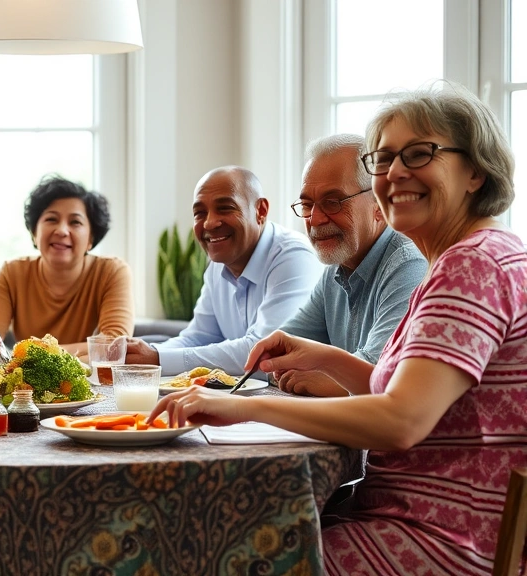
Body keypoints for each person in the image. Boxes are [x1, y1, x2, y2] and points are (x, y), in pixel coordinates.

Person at [152, 84, 525, 576]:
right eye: (384, 159)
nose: (394, 173)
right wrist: (322, 355)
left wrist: (237, 406)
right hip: (421, 518)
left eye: (418, 155)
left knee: (213, 556)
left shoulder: (471, 268)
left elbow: (401, 420)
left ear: (475, 170)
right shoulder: (483, 254)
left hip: (443, 540)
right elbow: (400, 390)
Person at [124, 166, 322, 376]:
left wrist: (158, 359)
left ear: (260, 211)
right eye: (199, 213)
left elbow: (266, 353)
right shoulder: (217, 267)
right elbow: (198, 336)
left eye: (225, 208)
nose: (209, 222)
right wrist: (146, 354)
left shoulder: (294, 257)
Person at [276, 134, 427, 397]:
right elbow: (277, 354)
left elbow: (382, 374)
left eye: (333, 202)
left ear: (379, 203)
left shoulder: (408, 264)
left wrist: (325, 374)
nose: (315, 219)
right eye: (307, 204)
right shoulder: (335, 270)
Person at [0, 175, 133, 361]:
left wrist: (30, 354)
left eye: (75, 222)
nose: (62, 231)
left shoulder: (111, 272)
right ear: (34, 233)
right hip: (26, 387)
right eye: (51, 219)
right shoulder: (12, 273)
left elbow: (115, 344)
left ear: (90, 239)